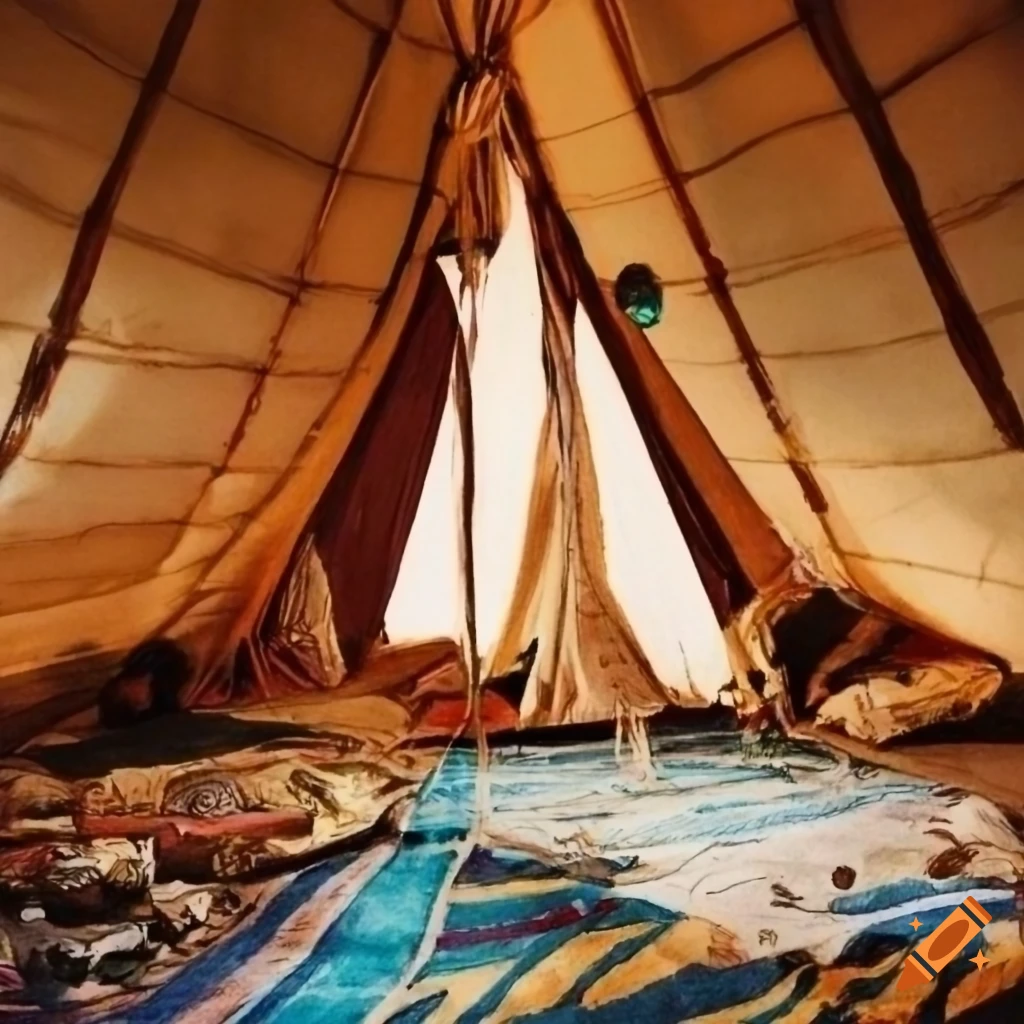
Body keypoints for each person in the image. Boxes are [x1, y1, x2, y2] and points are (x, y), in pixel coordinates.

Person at [97, 638, 191, 729]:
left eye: (126, 683)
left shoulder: (142, 659)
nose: (132, 687)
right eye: (134, 699)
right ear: (141, 706)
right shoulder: (170, 698)